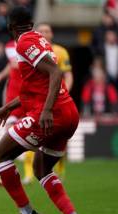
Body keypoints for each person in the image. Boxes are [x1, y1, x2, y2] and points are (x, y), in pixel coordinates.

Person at [0, 7, 87, 214]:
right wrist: (8, 107)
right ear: (31, 23)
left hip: (50, 115)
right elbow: (35, 87)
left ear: (10, 27)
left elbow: (56, 73)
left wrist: (46, 111)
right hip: (69, 113)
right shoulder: (39, 40)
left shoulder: (23, 43)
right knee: (42, 168)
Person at [0, 38, 35, 185]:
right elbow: (14, 64)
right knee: (9, 136)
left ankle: (29, 174)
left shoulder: (32, 45)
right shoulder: (10, 45)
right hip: (13, 96)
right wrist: (0, 76)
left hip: (29, 95)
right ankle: (8, 174)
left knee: (29, 135)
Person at [36, 23, 74, 180]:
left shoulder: (60, 51)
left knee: (61, 135)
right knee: (39, 134)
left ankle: (61, 167)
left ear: (51, 34)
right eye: (41, 31)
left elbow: (68, 75)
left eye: (47, 31)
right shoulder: (33, 52)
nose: (45, 33)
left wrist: (64, 94)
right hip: (40, 101)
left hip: (58, 100)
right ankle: (34, 172)